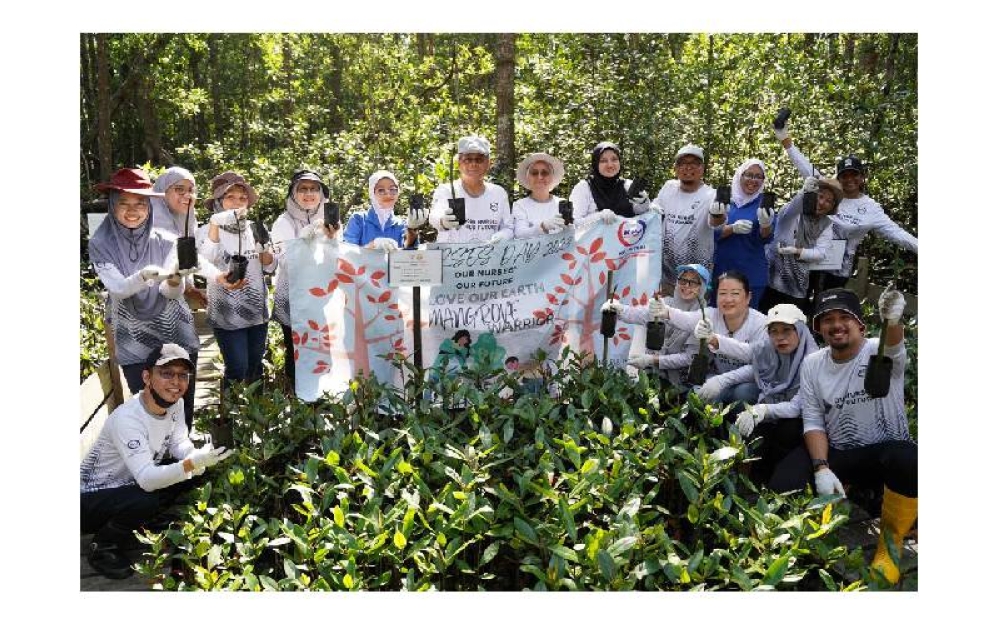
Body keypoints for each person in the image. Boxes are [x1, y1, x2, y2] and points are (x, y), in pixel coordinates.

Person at [768, 287, 916, 585]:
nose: (836, 325)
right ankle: (822, 525)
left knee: (909, 458)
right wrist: (821, 466)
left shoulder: (878, 350)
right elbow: (812, 419)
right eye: (827, 319)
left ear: (861, 324)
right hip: (841, 452)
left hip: (883, 452)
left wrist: (894, 319)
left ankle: (891, 545)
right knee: (783, 484)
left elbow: (895, 346)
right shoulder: (813, 364)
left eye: (844, 317)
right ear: (818, 329)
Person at [80, 343, 235, 579]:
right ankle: (102, 547)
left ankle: (141, 520)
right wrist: (191, 464)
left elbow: (178, 443)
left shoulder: (176, 403)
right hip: (88, 498)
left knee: (194, 473)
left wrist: (196, 456)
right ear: (146, 377)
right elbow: (147, 480)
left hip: (131, 479)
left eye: (183, 375)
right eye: (166, 373)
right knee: (147, 498)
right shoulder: (128, 419)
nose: (176, 382)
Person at [88, 168, 200, 428]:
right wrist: (145, 276)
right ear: (113, 205)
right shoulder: (101, 242)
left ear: (149, 205)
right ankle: (152, 463)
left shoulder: (167, 239)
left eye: (140, 203)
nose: (132, 210)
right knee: (148, 407)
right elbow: (118, 288)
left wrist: (175, 279)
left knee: (181, 403)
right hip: (133, 335)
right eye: (124, 203)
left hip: (175, 331)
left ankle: (184, 461)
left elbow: (172, 292)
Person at [774, 118, 917, 291]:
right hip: (808, 261)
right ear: (838, 178)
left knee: (825, 309)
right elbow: (805, 167)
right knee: (800, 306)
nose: (849, 180)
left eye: (854, 175)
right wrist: (784, 138)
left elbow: (896, 233)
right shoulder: (830, 192)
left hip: (837, 271)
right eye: (844, 175)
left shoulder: (871, 208)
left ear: (862, 177)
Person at [699, 304, 819, 481]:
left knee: (787, 430)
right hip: (770, 413)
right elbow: (748, 356)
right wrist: (720, 378)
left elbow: (797, 407)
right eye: (774, 331)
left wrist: (762, 410)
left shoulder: (814, 361)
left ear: (800, 331)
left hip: (801, 425)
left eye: (787, 330)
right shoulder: (769, 350)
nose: (780, 337)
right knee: (752, 439)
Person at [197, 171, 274, 392]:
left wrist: (266, 255)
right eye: (230, 198)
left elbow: (269, 266)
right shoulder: (206, 230)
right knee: (237, 367)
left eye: (242, 198)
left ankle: (257, 418)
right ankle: (231, 417)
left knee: (255, 368)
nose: (237, 203)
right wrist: (215, 224)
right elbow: (204, 259)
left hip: (257, 313)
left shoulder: (256, 228)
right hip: (226, 314)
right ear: (218, 202)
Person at [660, 271, 768, 406]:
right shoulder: (711, 314)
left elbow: (758, 366)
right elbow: (684, 319)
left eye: (735, 294)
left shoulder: (761, 324)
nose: (728, 299)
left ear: (748, 297)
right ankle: (711, 426)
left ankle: (738, 425)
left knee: (742, 394)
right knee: (696, 396)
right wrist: (665, 312)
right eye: (722, 293)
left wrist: (721, 380)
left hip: (749, 384)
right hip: (718, 379)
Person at [270, 169, 335, 387]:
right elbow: (285, 261)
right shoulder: (283, 222)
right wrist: (306, 240)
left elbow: (340, 258)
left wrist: (331, 239)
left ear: (322, 193)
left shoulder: (331, 219)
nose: (309, 194)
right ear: (293, 194)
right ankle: (298, 403)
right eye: (303, 189)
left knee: (324, 349)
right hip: (292, 298)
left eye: (314, 189)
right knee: (295, 350)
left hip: (323, 299)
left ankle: (323, 399)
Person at [612, 263, 710, 387]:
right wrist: (619, 309)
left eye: (694, 282)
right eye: (683, 280)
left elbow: (689, 358)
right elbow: (639, 314)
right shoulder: (666, 304)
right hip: (653, 374)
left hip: (682, 382)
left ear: (702, 288)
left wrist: (652, 360)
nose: (686, 285)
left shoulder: (703, 316)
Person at [758, 176, 843, 316]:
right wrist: (804, 192)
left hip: (797, 285)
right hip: (771, 280)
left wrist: (798, 251)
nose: (822, 203)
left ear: (833, 206)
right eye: (820, 196)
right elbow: (792, 209)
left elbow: (821, 253)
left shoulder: (827, 224)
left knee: (791, 327)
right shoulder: (794, 212)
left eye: (828, 201)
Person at [652, 144, 726, 294]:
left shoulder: (711, 195)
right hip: (666, 276)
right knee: (662, 315)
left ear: (702, 168)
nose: (688, 168)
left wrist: (718, 214)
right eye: (683, 163)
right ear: (676, 168)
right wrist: (643, 206)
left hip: (696, 279)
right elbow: (654, 214)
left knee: (693, 317)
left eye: (694, 163)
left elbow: (715, 224)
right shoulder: (668, 187)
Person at [712, 159, 774, 311]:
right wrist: (732, 228)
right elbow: (711, 234)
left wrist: (766, 224)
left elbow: (766, 238)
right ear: (740, 175)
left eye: (758, 177)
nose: (753, 180)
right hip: (722, 271)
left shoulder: (763, 203)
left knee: (746, 321)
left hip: (751, 275)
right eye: (749, 175)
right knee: (717, 317)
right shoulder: (725, 202)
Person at [429, 136, 513, 244]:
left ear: (488, 163)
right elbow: (434, 217)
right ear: (459, 163)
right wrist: (443, 221)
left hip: (488, 257)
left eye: (479, 159)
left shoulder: (498, 193)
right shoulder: (446, 190)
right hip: (452, 257)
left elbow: (508, 227)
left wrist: (502, 236)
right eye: (467, 159)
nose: (473, 164)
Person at [569, 141, 651, 224]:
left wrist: (644, 202)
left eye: (614, 159)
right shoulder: (584, 188)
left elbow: (642, 217)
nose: (610, 165)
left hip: (626, 236)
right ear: (595, 164)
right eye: (603, 161)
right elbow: (573, 223)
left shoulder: (627, 185)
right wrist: (598, 216)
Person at [343, 170, 425, 250]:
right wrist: (372, 245)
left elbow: (409, 254)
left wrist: (412, 230)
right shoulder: (359, 220)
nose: (388, 194)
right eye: (381, 190)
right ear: (372, 193)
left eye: (392, 189)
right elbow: (348, 251)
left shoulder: (401, 224)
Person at [511, 152, 568, 237]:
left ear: (552, 177)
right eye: (534, 173)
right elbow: (520, 234)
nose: (540, 177)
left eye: (545, 173)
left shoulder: (563, 203)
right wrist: (543, 226)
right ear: (528, 177)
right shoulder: (520, 205)